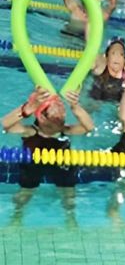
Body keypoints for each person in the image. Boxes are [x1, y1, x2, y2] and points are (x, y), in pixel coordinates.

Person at [2, 87, 94, 224]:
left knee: (69, 198)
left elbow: (89, 127)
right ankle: (16, 216)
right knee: (23, 196)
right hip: (32, 166)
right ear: (41, 117)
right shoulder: (30, 131)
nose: (63, 115)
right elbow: (5, 124)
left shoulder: (66, 131)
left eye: (63, 113)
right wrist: (26, 109)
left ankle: (71, 219)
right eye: (58, 115)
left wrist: (75, 107)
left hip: (62, 166)